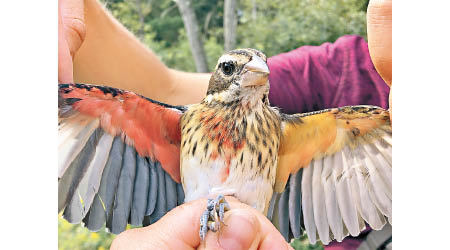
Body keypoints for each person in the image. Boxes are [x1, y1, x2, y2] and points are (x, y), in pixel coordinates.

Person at [58, 0, 392, 249]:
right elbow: (165, 89)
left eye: (258, 67)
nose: (253, 72)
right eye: (233, 69)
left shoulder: (307, 130)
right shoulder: (340, 66)